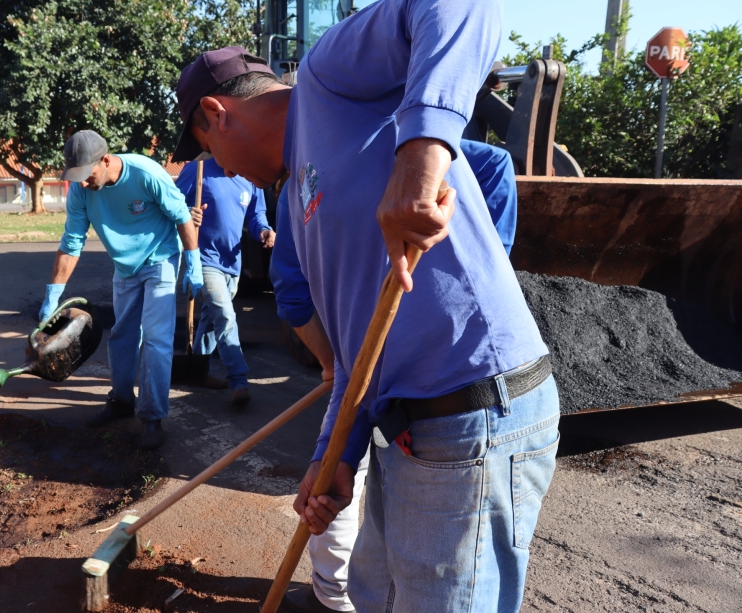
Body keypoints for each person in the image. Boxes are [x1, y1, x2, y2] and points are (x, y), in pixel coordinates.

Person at [173, 0, 559, 609]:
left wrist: (420, 156)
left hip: (473, 412)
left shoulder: (327, 78)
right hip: (410, 432)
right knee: (372, 594)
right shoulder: (296, 201)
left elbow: (461, 6)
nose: (222, 171)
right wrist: (333, 459)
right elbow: (358, 352)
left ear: (218, 115)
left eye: (210, 153)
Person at [270, 135, 520, 612]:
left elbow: (295, 299)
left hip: (460, 402)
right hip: (392, 396)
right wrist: (335, 441)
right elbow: (304, 303)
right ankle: (331, 592)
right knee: (374, 573)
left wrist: (490, 266)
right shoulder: (302, 187)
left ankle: (329, 594)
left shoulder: (383, 141)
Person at [39, 130, 202, 451]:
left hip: (160, 260)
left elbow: (182, 216)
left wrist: (193, 261)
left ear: (106, 160)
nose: (83, 184)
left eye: (87, 176)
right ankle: (122, 401)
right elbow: (71, 243)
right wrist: (52, 296)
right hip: (125, 267)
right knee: (122, 336)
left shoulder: (146, 173)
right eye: (77, 178)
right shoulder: (80, 191)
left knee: (156, 339)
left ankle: (152, 416)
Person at [175, 158, 276, 406]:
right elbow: (171, 206)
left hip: (233, 262)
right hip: (204, 260)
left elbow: (256, 215)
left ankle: (197, 371)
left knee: (211, 318)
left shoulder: (251, 175)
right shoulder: (198, 170)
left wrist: (263, 230)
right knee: (225, 315)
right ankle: (239, 380)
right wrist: (187, 213)